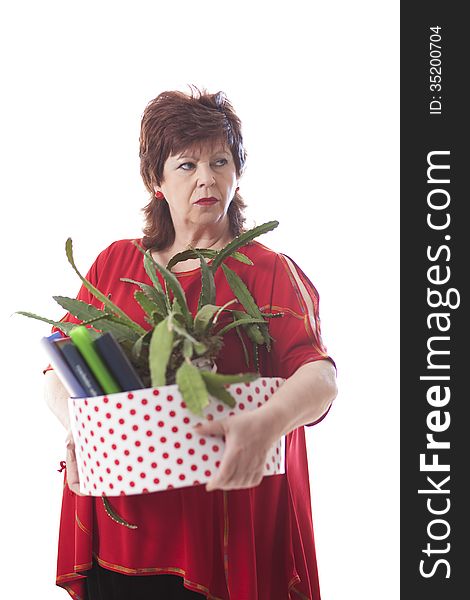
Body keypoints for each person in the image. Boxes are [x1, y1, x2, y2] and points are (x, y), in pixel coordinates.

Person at [43, 85, 338, 600]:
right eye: (186, 165)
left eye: (220, 161)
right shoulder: (117, 263)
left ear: (236, 173)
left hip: (222, 528)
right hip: (123, 530)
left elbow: (320, 376)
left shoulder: (269, 273)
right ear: (157, 180)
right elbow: (59, 367)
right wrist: (83, 429)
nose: (207, 179)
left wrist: (267, 423)